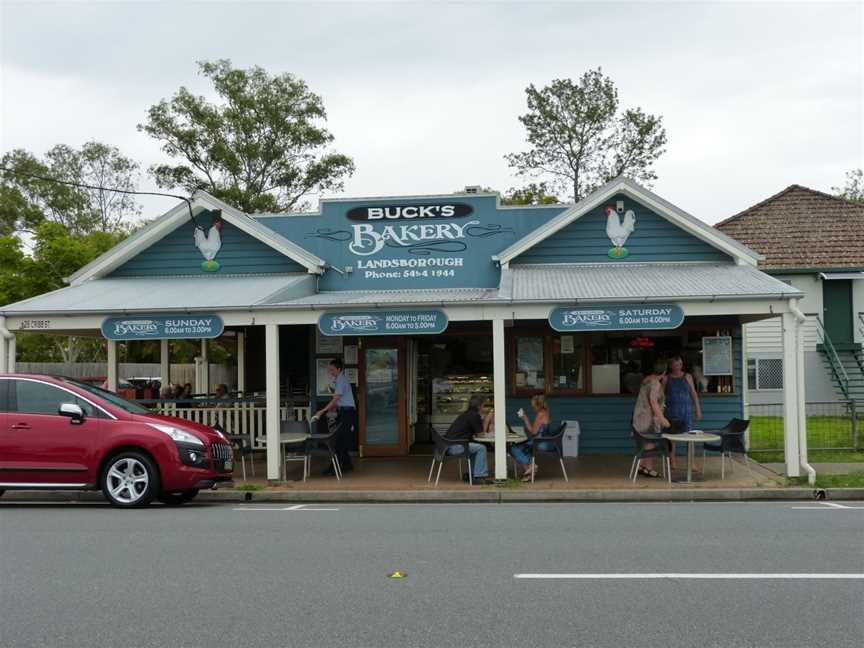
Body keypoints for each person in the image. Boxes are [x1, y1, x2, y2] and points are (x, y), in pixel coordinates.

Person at [313, 358, 355, 474]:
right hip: (345, 412)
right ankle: (347, 464)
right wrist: (331, 408)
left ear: (339, 369)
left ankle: (334, 467)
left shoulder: (341, 380)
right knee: (342, 439)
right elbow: (337, 401)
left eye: (332, 370)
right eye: (329, 370)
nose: (330, 372)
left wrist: (321, 411)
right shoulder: (339, 380)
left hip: (347, 413)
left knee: (339, 441)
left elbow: (335, 399)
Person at [631, 359, 671, 478]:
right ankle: (648, 468)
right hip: (648, 419)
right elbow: (653, 402)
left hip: (640, 418)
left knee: (645, 444)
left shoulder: (647, 381)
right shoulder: (655, 384)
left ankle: (642, 467)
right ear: (664, 372)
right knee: (650, 442)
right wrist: (663, 419)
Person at [664, 354, 702, 471]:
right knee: (672, 438)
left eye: (680, 364)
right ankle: (673, 461)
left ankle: (691, 463)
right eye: (675, 365)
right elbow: (660, 395)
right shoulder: (666, 378)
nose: (678, 367)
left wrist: (698, 409)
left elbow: (694, 394)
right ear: (671, 366)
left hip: (686, 411)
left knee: (689, 437)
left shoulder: (688, 376)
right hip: (672, 411)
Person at [444, 394, 490, 484]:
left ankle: (471, 474)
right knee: (481, 448)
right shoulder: (474, 415)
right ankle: (479, 476)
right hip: (455, 447)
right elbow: (481, 435)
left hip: (446, 446)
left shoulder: (465, 414)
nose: (484, 407)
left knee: (475, 448)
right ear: (480, 406)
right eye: (484, 405)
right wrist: (485, 419)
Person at [510, 395, 552, 481]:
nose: (532, 407)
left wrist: (525, 418)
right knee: (523, 448)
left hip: (539, 442)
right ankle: (529, 473)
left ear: (538, 405)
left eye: (533, 405)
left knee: (513, 448)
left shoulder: (540, 414)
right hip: (544, 440)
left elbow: (533, 432)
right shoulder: (546, 412)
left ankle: (531, 465)